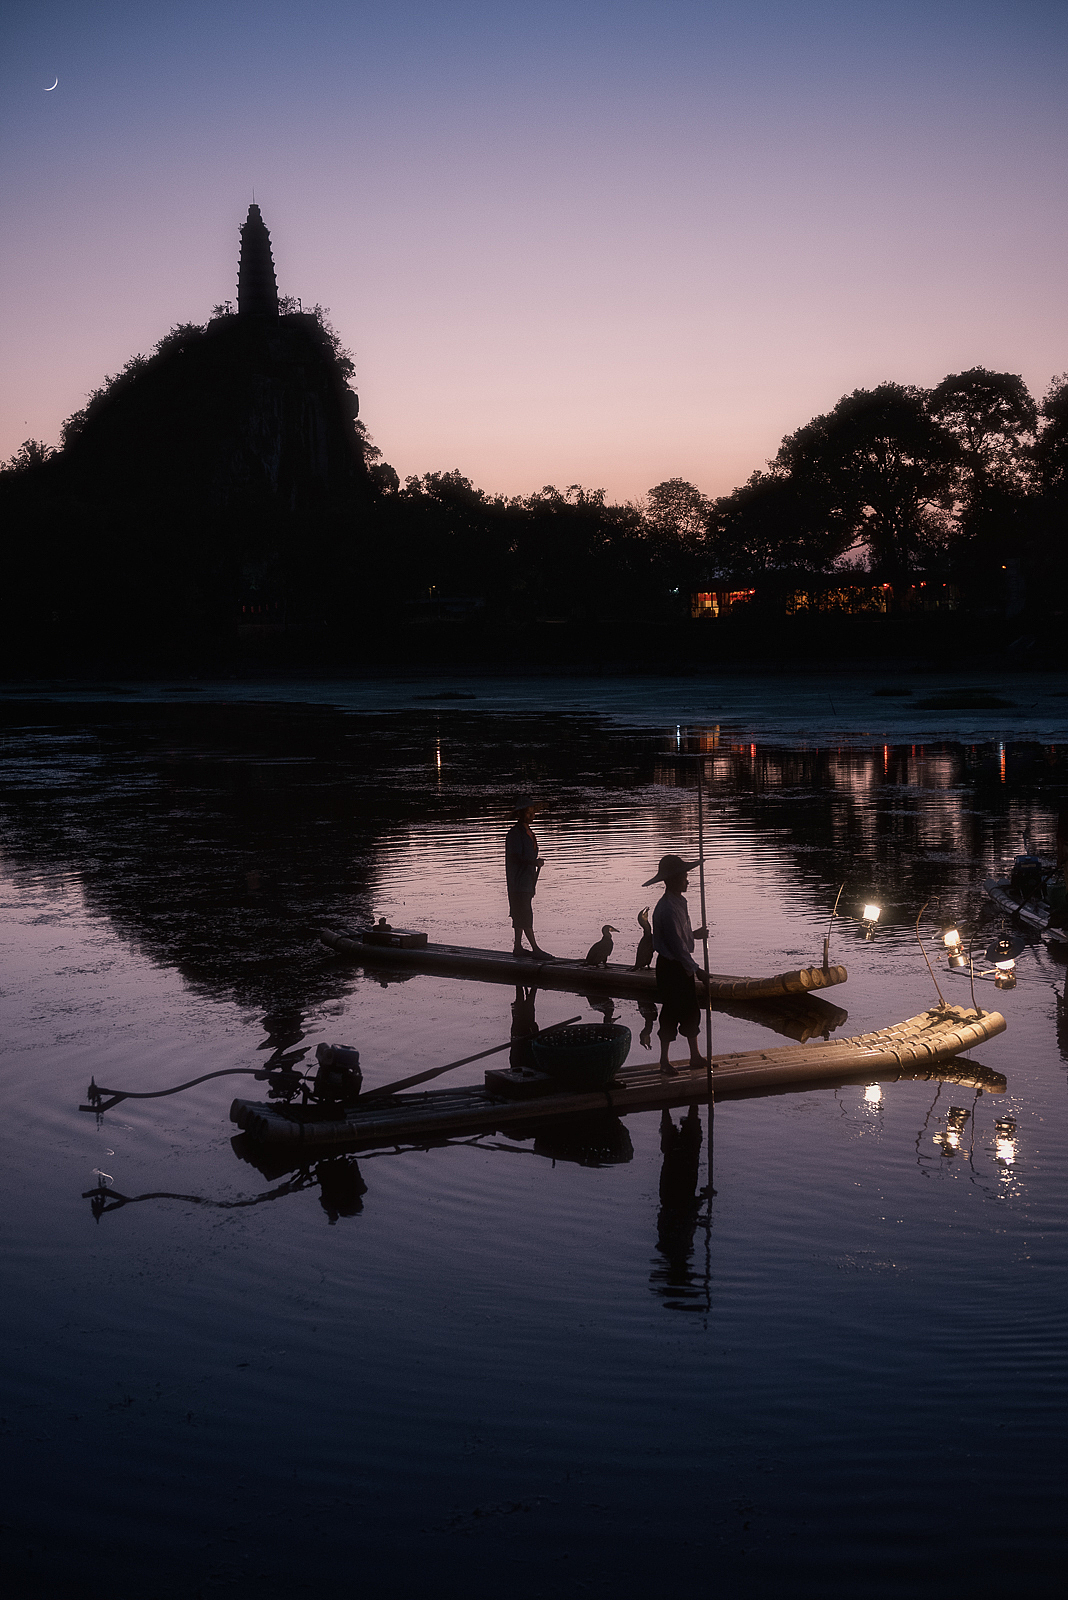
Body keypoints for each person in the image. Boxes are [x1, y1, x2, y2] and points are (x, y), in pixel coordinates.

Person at [642, 853, 708, 1074]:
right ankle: (664, 1061)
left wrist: (695, 934)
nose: (687, 880)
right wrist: (697, 969)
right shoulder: (667, 908)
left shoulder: (679, 902)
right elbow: (677, 945)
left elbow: (682, 935)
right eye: (683, 877)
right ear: (672, 880)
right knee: (671, 1011)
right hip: (672, 968)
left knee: (690, 1009)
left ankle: (695, 1056)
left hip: (681, 965)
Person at [505, 798, 553, 958]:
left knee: (521, 912)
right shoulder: (514, 834)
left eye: (533, 812)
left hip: (528, 880)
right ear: (520, 814)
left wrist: (534, 864)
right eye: (528, 812)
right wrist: (533, 862)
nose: (532, 814)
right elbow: (515, 857)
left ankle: (518, 947)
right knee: (524, 913)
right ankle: (535, 949)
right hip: (518, 881)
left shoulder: (529, 832)